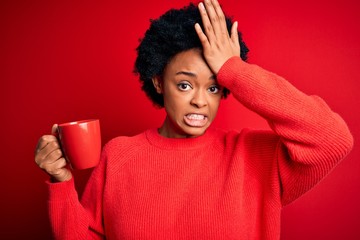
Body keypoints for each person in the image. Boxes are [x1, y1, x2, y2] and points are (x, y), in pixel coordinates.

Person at [35, 0, 353, 239]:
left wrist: (234, 70)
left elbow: (332, 139)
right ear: (158, 81)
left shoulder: (255, 158)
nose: (200, 100)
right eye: (185, 84)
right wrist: (62, 183)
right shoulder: (118, 156)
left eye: (214, 86)